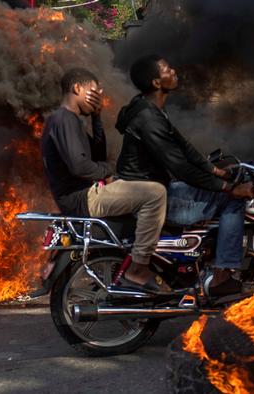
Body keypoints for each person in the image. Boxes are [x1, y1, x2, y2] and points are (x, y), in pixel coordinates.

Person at [114, 55, 254, 296]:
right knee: (232, 201)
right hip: (151, 197)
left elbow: (184, 145)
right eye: (168, 69)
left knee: (216, 190)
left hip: (156, 187)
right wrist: (228, 187)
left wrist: (215, 170)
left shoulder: (149, 108)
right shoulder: (148, 119)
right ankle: (223, 276)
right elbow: (180, 167)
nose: (174, 71)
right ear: (157, 83)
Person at [40, 67, 170, 292]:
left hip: (85, 194)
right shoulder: (63, 119)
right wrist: (108, 173)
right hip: (83, 198)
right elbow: (80, 166)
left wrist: (97, 117)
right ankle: (139, 268)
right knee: (155, 194)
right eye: (93, 91)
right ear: (77, 88)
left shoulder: (70, 121)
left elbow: (96, 156)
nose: (98, 96)